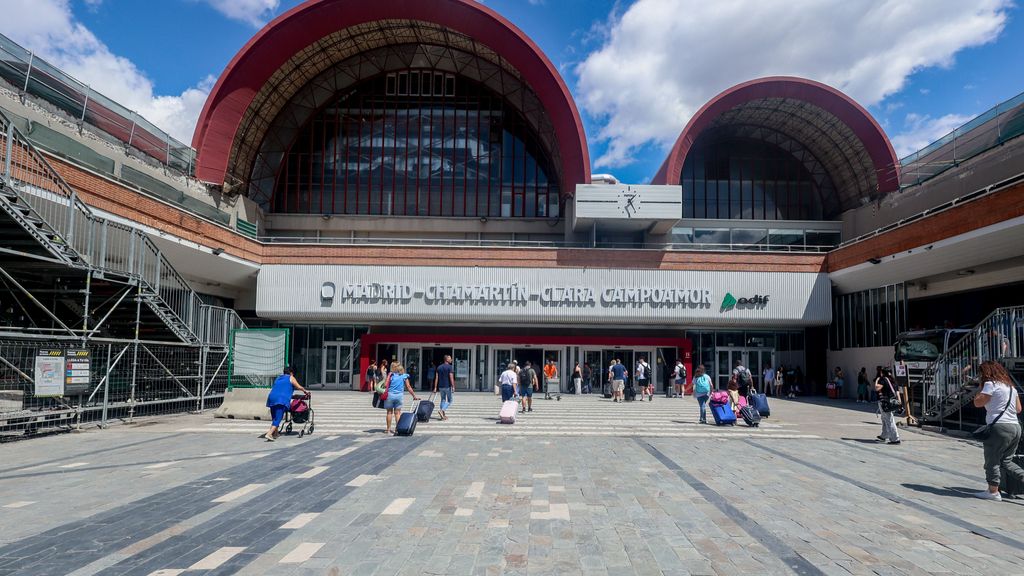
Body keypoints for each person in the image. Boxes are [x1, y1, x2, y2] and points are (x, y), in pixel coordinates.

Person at [972, 361, 1024, 501]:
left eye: (980, 373)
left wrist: (980, 388)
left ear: (986, 373)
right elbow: (1018, 409)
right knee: (1006, 461)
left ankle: (993, 491)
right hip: (1015, 427)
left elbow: (978, 403)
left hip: (999, 427)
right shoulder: (1011, 387)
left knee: (992, 460)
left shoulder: (990, 385)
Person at [263, 367, 309, 441]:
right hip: (281, 399)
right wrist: (305, 391)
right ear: (291, 372)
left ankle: (276, 433)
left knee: (275, 417)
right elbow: (298, 386)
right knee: (278, 418)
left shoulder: (278, 378)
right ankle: (269, 433)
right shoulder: (290, 377)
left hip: (272, 398)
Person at [383, 362, 418, 435]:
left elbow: (385, 385)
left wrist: (388, 376)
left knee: (389, 412)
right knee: (398, 413)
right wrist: (414, 396)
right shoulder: (404, 376)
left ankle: (388, 429)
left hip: (390, 395)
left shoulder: (391, 375)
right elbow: (408, 387)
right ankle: (397, 429)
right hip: (399, 396)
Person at [874, 367, 901, 445]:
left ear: (883, 373)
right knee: (885, 418)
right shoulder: (893, 381)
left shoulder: (883, 380)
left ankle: (895, 438)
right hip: (891, 402)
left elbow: (877, 388)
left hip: (885, 402)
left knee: (889, 419)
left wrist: (876, 381)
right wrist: (899, 403)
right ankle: (884, 435)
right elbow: (897, 393)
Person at [433, 354, 455, 421]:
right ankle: (442, 410)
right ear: (446, 359)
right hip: (447, 386)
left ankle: (443, 415)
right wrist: (453, 386)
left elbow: (436, 378)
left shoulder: (439, 367)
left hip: (440, 386)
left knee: (443, 399)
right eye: (450, 358)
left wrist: (435, 387)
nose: (451, 359)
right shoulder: (449, 367)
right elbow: (451, 377)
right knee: (450, 400)